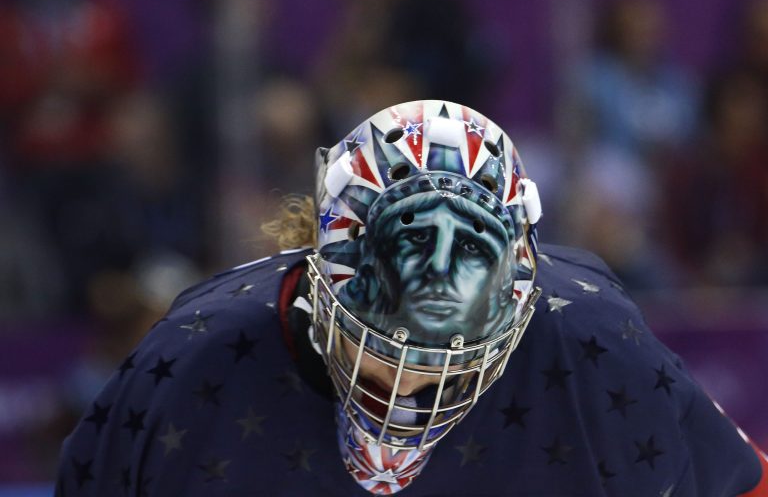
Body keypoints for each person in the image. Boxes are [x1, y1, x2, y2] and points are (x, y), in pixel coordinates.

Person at [56, 101, 767, 496]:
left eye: (448, 371)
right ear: (324, 279)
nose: (401, 402)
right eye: (374, 366)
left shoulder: (596, 346)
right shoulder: (192, 365)